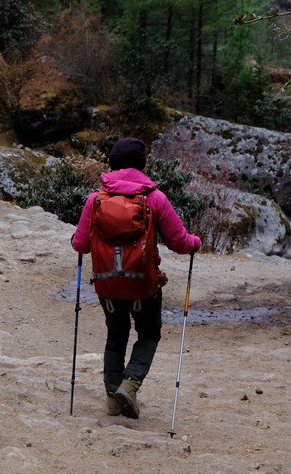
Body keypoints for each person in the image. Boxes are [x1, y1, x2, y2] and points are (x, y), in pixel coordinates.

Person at [71, 137, 201, 419]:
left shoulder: (95, 200)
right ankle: (130, 384)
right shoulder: (155, 198)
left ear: (113, 164)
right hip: (143, 284)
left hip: (107, 283)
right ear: (143, 164)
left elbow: (80, 245)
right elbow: (180, 242)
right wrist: (196, 242)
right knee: (149, 334)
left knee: (116, 335)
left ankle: (111, 397)